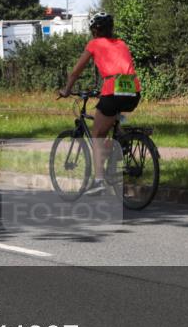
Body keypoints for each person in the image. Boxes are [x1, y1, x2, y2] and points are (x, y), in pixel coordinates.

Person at [58, 12, 141, 194]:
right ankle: (121, 142)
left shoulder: (94, 44)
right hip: (133, 91)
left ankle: (99, 182)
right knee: (111, 123)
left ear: (95, 30)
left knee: (96, 134)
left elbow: (75, 71)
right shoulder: (121, 43)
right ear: (111, 29)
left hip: (113, 90)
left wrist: (66, 90)